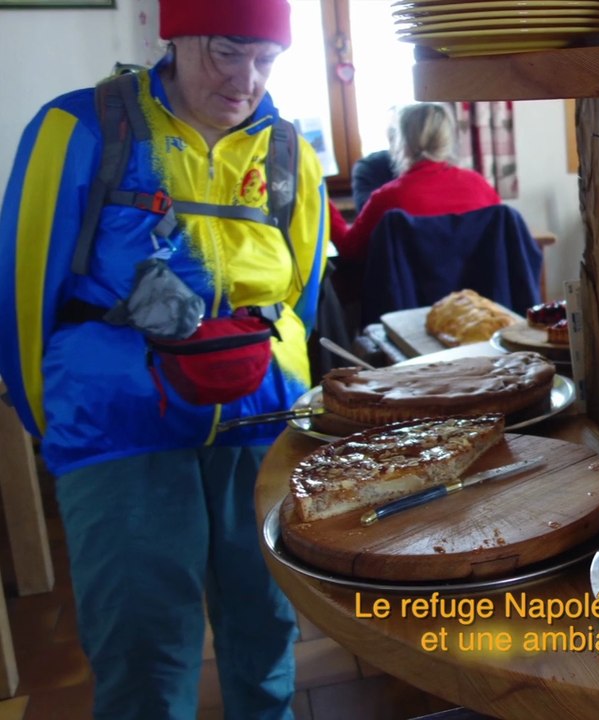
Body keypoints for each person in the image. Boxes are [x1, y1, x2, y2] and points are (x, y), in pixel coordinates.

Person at [0, 0, 329, 717]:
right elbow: (26, 288)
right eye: (226, 52)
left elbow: (300, 300)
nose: (248, 80)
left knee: (265, 622)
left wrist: (293, 401)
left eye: (267, 58)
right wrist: (43, 416)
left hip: (260, 420)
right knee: (143, 645)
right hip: (119, 427)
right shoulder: (82, 129)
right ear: (171, 35)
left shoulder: (289, 153)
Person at [333, 101, 502, 261]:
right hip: (477, 291)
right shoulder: (480, 186)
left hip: (411, 292)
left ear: (402, 143)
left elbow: (350, 251)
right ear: (447, 140)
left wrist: (321, 204)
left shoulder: (388, 198)